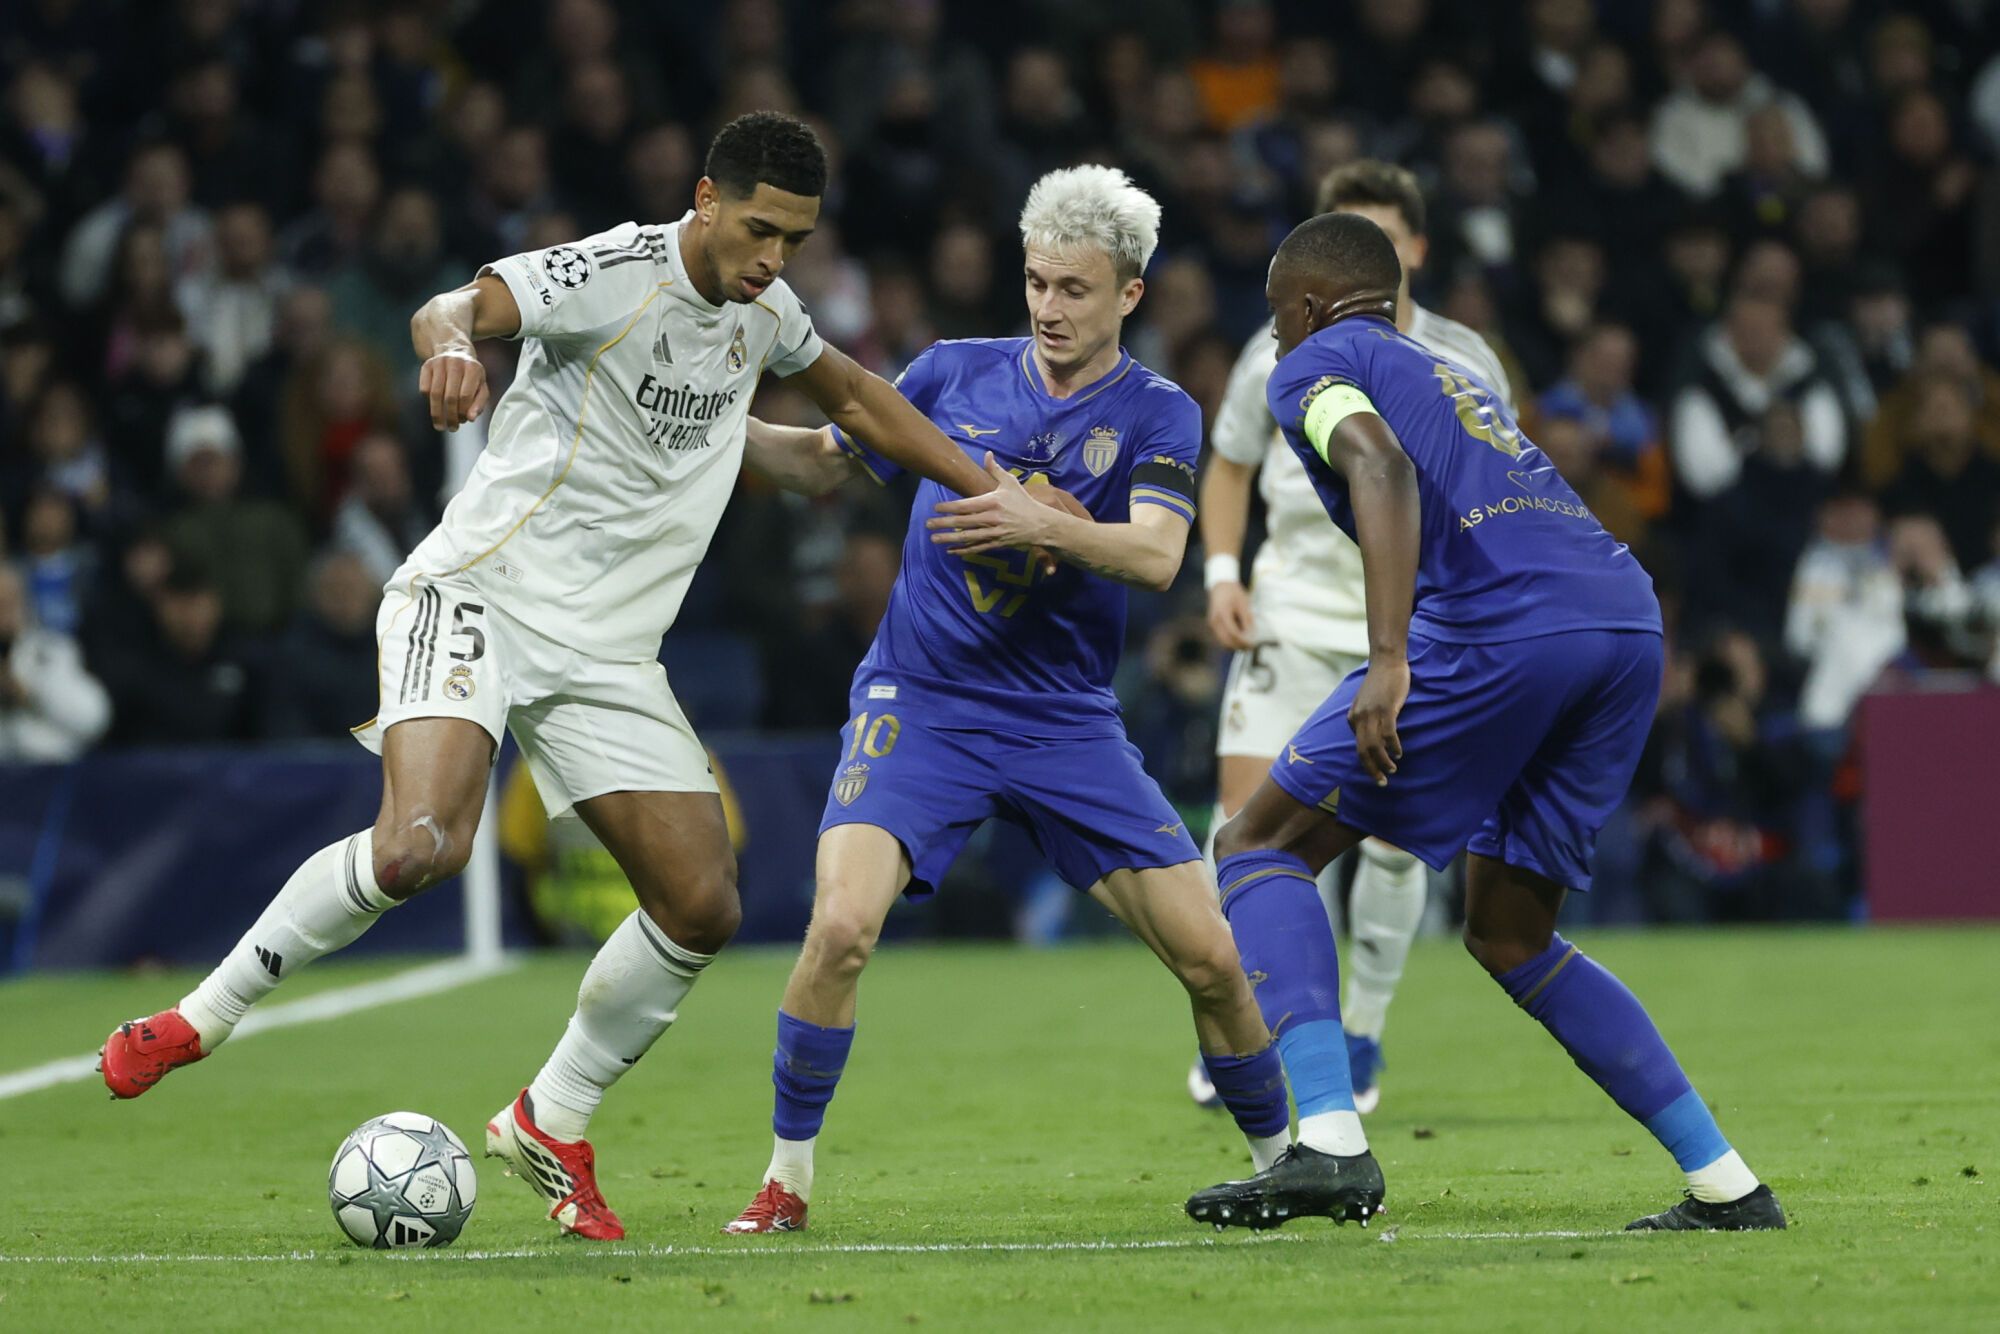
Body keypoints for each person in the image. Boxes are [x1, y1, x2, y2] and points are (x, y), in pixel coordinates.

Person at [96, 112, 1003, 1243]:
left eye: (797, 241)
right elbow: (455, 303)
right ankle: (196, 1018)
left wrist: (984, 489)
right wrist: (453, 348)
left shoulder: (765, 317)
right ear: (706, 200)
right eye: (761, 229)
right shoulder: (610, 269)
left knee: (701, 901)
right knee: (421, 844)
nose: (774, 259)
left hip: (607, 652)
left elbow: (856, 404)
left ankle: (549, 1113)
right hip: (482, 591)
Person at [1185, 212, 1785, 1234]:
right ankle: (1725, 1182)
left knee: (1256, 844)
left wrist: (1387, 659)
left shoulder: (1319, 360)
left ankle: (1327, 1140)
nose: (1276, 339)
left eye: (1279, 317)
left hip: (1501, 623)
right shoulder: (1444, 368)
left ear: (1309, 304)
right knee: (1511, 930)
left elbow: (1372, 464)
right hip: (1621, 619)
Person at [720, 166, 1288, 1235]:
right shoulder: (949, 373)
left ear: (1128, 293)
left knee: (1211, 956)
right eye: (1035, 282)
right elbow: (817, 467)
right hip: (921, 697)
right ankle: (786, 1176)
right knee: (839, 925)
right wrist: (702, 423)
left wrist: (1043, 526)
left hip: (1062, 717)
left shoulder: (1158, 412)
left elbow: (1160, 555)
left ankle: (1284, 1162)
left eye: (1074, 288)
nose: (1047, 308)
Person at [1194, 160, 1512, 1116]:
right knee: (1247, 835)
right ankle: (1257, 1036)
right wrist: (1220, 574)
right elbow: (1230, 466)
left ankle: (1363, 1032)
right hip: (1289, 618)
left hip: (1413, 639)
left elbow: (1496, 493)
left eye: (1376, 237)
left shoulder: (1466, 360)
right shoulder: (1271, 350)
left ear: (1412, 249)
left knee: (1390, 851)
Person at [0, 562, 111, 762]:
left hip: (43, 777)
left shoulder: (53, 651)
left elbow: (92, 719)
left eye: (9, 603)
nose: (3, 614)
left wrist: (29, 694)